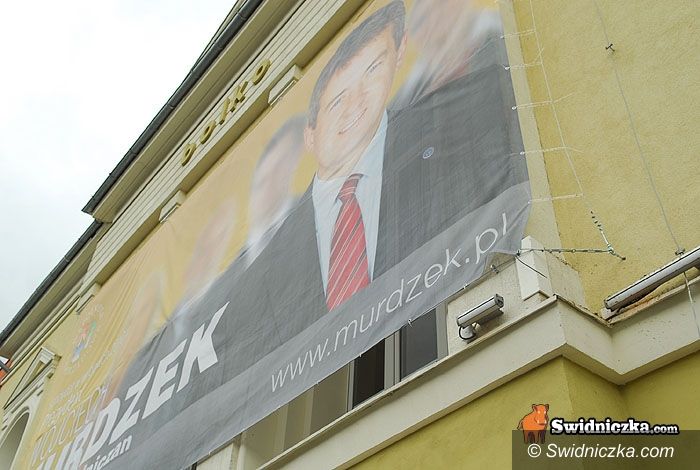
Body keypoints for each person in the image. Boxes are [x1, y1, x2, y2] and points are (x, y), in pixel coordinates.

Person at [245, 0, 525, 317]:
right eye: (337, 101)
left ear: (398, 56)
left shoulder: (444, 136)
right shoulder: (273, 255)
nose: (356, 104)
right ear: (310, 135)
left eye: (373, 70)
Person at [391, 0, 505, 110]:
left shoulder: (501, 37)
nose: (434, 19)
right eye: (422, 20)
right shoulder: (411, 96)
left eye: (441, 2)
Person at [242, 115, 306, 266]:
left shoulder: (310, 215)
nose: (268, 186)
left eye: (280, 166)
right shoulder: (233, 271)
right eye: (262, 182)